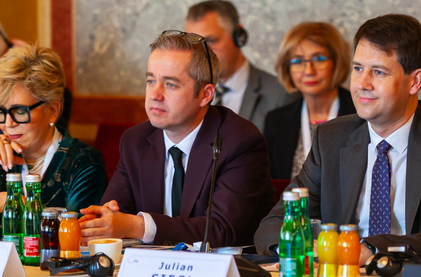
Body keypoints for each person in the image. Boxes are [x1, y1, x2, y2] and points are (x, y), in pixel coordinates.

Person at [255, 14, 421, 263]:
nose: (362, 84)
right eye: (358, 69)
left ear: (414, 81)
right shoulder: (332, 138)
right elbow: (275, 224)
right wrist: (302, 249)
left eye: (378, 72)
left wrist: (371, 251)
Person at [78, 31, 274, 247]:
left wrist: (138, 226)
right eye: (151, 81)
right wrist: (104, 222)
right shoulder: (136, 141)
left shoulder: (239, 142)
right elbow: (114, 213)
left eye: (170, 84)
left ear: (205, 95)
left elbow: (220, 231)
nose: (155, 95)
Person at [0, 45, 106, 210]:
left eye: (20, 112)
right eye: (1, 112)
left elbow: (77, 226)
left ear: (52, 111)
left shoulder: (84, 162)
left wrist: (19, 204)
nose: (8, 123)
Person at [185, 0, 293, 134]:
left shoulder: (281, 95)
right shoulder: (185, 93)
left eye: (211, 41)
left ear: (238, 37)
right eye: (194, 45)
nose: (202, 53)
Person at [264, 22, 356, 180]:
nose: (309, 71)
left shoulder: (361, 115)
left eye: (319, 59)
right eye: (298, 61)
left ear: (337, 62)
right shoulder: (276, 121)